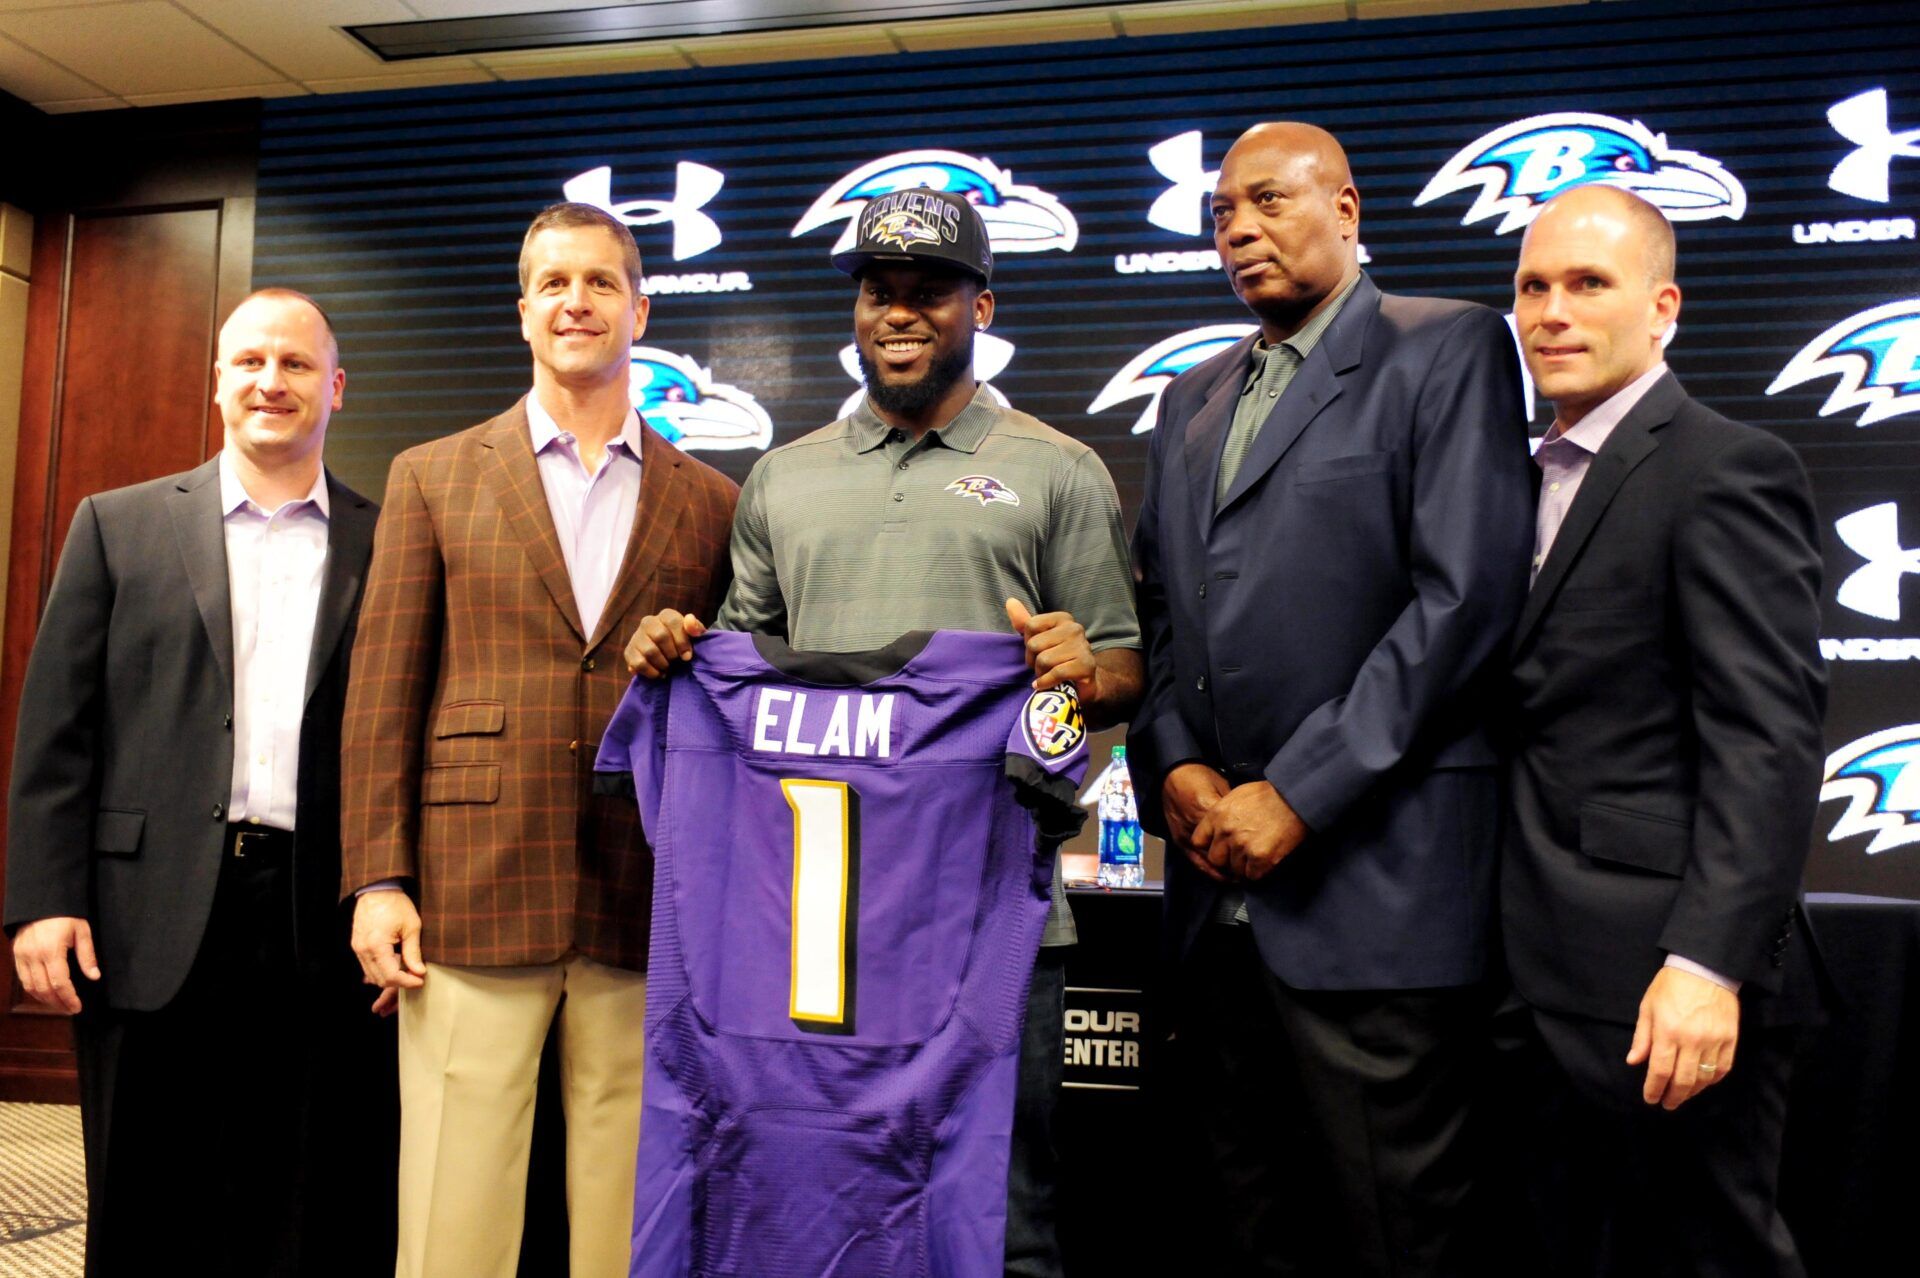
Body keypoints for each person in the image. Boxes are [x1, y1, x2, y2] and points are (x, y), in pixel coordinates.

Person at [624, 186, 1142, 1278]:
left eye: (929, 292)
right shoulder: (785, 478)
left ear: (982, 307)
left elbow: (1123, 667)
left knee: (1004, 1219)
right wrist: (675, 652)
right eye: (878, 291)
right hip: (808, 938)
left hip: (988, 918)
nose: (898, 313)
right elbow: (737, 672)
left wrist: (1077, 674)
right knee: (802, 1195)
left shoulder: (1058, 469)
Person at [1128, 121, 1535, 1274]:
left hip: (1378, 905)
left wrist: (1295, 796)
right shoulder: (1191, 400)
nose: (1241, 231)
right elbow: (1159, 618)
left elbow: (1460, 608)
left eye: (1269, 201)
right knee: (1251, 1231)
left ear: (1348, 209)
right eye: (1222, 215)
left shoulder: (1445, 348)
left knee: (1400, 1239)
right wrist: (1178, 767)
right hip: (1216, 915)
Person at [341, 202, 738, 1278]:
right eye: (554, 284)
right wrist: (380, 877)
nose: (577, 302)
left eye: (601, 283)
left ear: (641, 309)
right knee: (450, 1208)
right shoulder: (433, 475)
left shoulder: (712, 504)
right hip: (472, 890)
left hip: (640, 892)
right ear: (522, 311)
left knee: (627, 1209)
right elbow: (384, 690)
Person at [5, 289, 381, 1276]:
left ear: (336, 388)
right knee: (143, 1193)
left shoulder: (387, 543)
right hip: (146, 909)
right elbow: (57, 734)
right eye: (251, 361)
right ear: (216, 383)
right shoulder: (116, 526)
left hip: (316, 914)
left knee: (306, 1193)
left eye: (298, 365)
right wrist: (43, 903)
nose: (272, 381)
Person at [1499, 183, 1827, 1276]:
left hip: (1662, 986)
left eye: (1589, 283)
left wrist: (1709, 964)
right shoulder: (1508, 480)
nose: (1552, 310)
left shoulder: (1725, 467)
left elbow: (1766, 738)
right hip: (1526, 975)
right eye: (1533, 285)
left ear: (1664, 308)